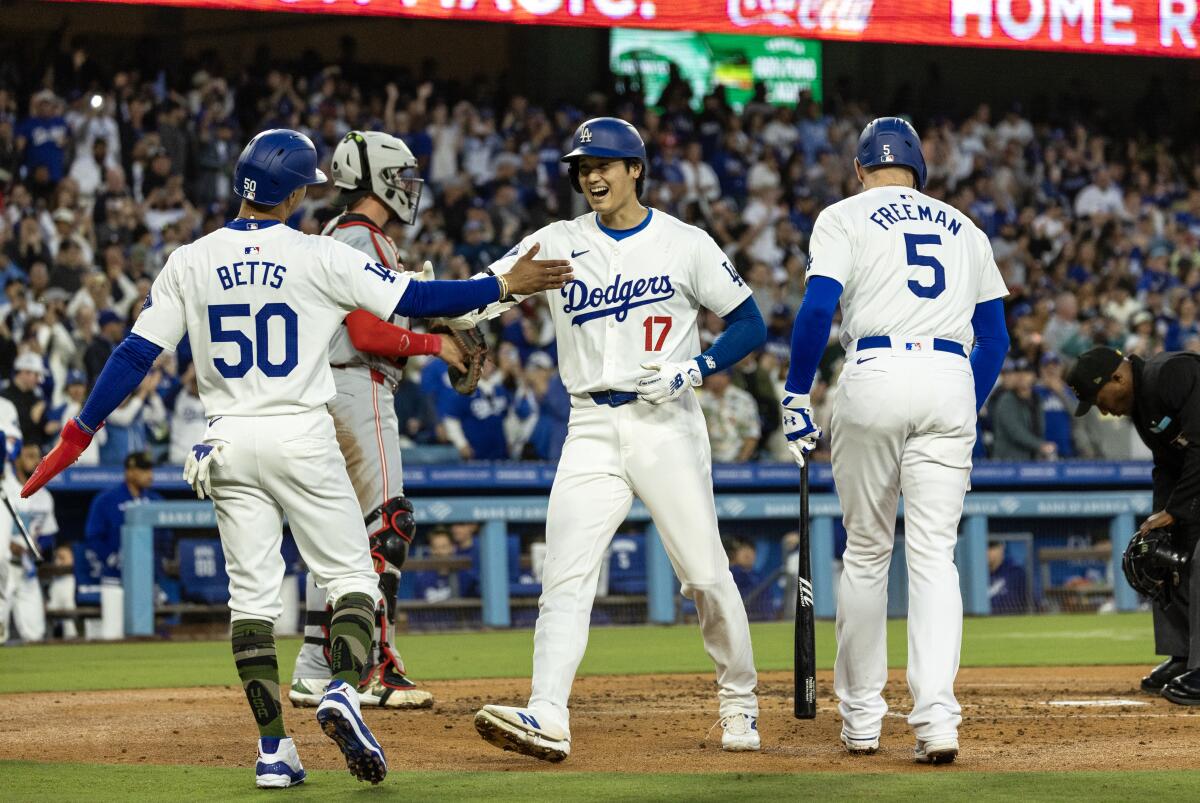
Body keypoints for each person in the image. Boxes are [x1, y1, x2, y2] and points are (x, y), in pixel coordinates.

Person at [20, 128, 571, 788]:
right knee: (355, 582)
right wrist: (501, 281)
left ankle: (274, 747)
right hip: (302, 435)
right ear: (298, 190)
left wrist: (78, 434)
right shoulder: (316, 254)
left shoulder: (190, 259)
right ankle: (342, 686)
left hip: (222, 441)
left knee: (249, 601)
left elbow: (134, 356)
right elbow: (419, 301)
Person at [471, 117, 767, 761]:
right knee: (565, 575)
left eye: (603, 164)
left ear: (636, 168)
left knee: (706, 575)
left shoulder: (684, 243)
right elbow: (488, 293)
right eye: (582, 168)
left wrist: (698, 367)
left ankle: (739, 703)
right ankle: (548, 712)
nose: (591, 176)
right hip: (590, 425)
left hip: (667, 424)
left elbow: (749, 322)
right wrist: (452, 311)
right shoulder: (555, 241)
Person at [781, 118, 1009, 764]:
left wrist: (798, 393)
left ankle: (860, 719)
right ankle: (937, 720)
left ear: (860, 169)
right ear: (920, 172)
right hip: (949, 377)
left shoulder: (844, 215)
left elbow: (819, 308)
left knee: (867, 552)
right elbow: (995, 340)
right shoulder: (966, 228)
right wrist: (965, 396)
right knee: (935, 556)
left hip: (876, 373)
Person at [290, 130, 467, 712]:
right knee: (387, 526)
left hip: (325, 387)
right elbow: (366, 333)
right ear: (383, 181)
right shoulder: (361, 238)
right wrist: (434, 345)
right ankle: (375, 666)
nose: (412, 189)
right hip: (356, 381)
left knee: (341, 537)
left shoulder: (337, 236)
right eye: (405, 177)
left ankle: (318, 664)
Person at [1065, 347, 1200, 705]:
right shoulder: (1142, 406)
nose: (1103, 410)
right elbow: (1167, 468)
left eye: (1099, 400)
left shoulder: (1171, 373)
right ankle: (1186, 655)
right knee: (1165, 553)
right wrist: (1162, 521)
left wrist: (1176, 509)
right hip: (1193, 482)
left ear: (1118, 377)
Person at [82, 452, 162, 641]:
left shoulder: (156, 500)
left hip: (146, 580)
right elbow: (92, 536)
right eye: (143, 470)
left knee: (145, 635)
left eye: (150, 469)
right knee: (113, 634)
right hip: (114, 578)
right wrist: (111, 558)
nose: (149, 474)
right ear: (130, 471)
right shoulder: (106, 499)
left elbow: (164, 537)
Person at [0, 443, 62, 642]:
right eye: (29, 455)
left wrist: (40, 546)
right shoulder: (5, 489)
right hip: (5, 567)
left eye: (38, 456)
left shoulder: (44, 496)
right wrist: (9, 543)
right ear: (16, 459)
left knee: (35, 633)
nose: (36, 461)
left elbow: (47, 533)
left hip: (28, 571)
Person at [987, 540, 1028, 614]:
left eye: (991, 547)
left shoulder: (1016, 573)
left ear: (1001, 548)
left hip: (1011, 620)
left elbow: (1033, 604)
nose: (987, 551)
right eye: (984, 547)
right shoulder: (970, 576)